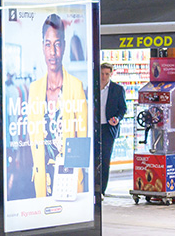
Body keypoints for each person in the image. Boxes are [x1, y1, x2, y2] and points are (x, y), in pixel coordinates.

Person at [26, 14, 89, 199]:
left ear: (64, 45)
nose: (52, 52)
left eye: (57, 44)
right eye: (48, 44)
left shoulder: (75, 86)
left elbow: (81, 136)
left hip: (69, 177)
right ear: (42, 46)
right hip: (42, 178)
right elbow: (32, 135)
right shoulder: (34, 89)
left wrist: (77, 172)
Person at [99, 63, 127, 198]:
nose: (104, 77)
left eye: (106, 74)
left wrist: (117, 118)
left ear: (111, 74)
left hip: (108, 128)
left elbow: (123, 109)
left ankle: (101, 190)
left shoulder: (117, 89)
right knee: (94, 159)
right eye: (102, 74)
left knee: (105, 159)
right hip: (94, 127)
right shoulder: (94, 87)